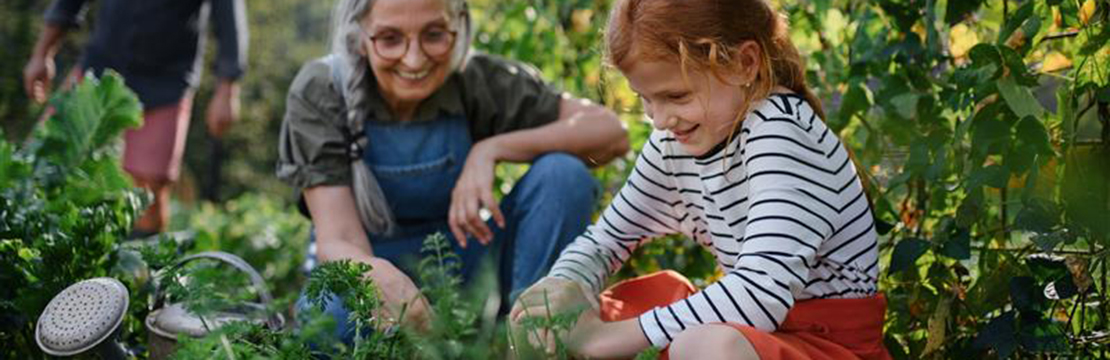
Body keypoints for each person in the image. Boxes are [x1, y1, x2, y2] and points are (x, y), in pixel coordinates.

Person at [510, 0, 889, 359]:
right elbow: (606, 241)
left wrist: (606, 339)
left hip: (824, 346)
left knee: (708, 348)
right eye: (645, 98)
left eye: (675, 96)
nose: (659, 119)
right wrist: (564, 285)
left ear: (744, 64)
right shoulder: (674, 144)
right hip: (751, 329)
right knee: (541, 319)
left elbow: (760, 294)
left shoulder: (782, 133)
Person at [276, 0, 629, 342]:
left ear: (458, 25)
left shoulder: (478, 80)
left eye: (434, 35)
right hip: (367, 266)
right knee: (332, 321)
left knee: (562, 174)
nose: (414, 59)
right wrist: (389, 284)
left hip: (466, 267)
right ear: (358, 36)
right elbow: (338, 240)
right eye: (389, 39)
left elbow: (610, 132)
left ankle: (531, 337)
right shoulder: (322, 89)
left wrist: (490, 150)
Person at [23, 0, 249, 237]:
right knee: (40, 161)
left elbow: (229, 14)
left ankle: (136, 267)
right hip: (101, 68)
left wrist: (228, 89)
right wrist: (43, 53)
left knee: (147, 197)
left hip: (165, 83)